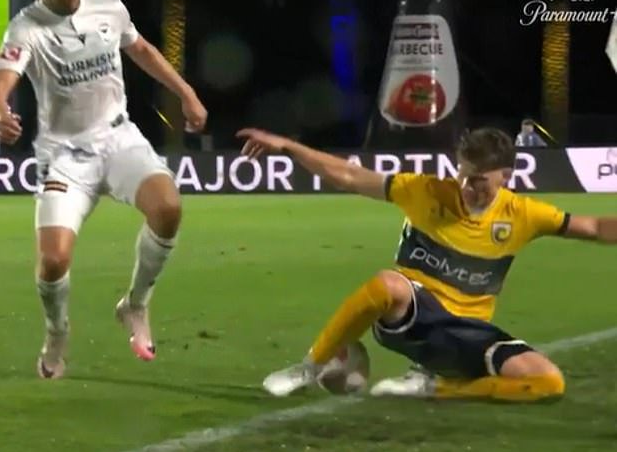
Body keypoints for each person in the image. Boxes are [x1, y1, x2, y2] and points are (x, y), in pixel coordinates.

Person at [237, 126, 617, 402]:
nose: (468, 187)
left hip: (465, 335)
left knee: (548, 383)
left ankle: (436, 386)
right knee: (389, 283)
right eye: (463, 175)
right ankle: (308, 367)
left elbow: (596, 226)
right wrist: (288, 145)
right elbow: (349, 176)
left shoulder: (524, 214)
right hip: (411, 316)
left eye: (480, 181)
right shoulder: (423, 191)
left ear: (507, 176)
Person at [0, 0, 207, 379]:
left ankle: (135, 305)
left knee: (168, 208)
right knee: (53, 262)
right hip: (64, 156)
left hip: (118, 138)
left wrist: (187, 94)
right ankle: (57, 332)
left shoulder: (108, 8)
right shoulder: (26, 28)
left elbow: (142, 51)